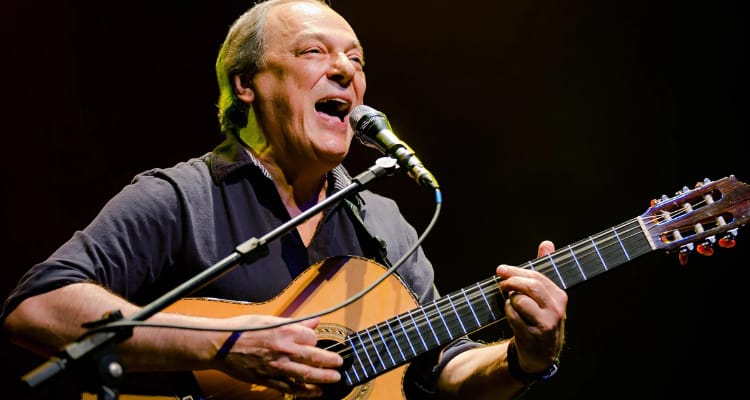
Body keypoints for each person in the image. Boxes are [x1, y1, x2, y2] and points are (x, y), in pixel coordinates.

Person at [1, 0, 567, 399]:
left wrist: (524, 359)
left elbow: (443, 370)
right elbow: (38, 307)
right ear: (246, 84)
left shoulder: (384, 223)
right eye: (314, 52)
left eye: (357, 60)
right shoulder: (183, 198)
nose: (345, 70)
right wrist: (224, 344)